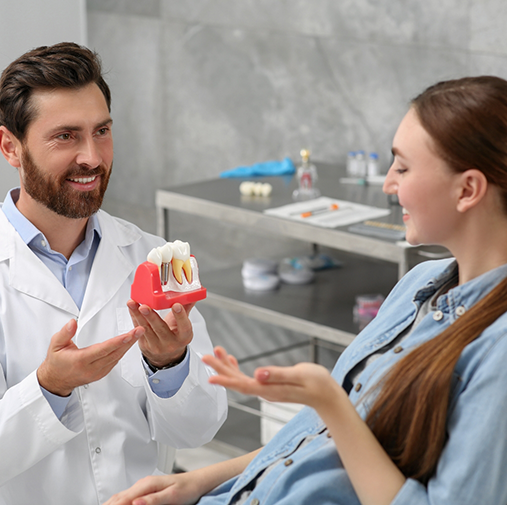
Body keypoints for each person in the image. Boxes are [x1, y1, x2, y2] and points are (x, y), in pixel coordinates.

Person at [105, 75, 507, 505]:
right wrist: (198, 481)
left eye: (403, 168)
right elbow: (317, 441)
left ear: (467, 189)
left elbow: (344, 428)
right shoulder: (418, 286)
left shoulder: (497, 352)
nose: (388, 185)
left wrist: (330, 401)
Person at [0, 42, 227, 505]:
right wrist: (51, 386)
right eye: (65, 136)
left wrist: (170, 366)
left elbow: (199, 429)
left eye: (101, 131)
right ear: (11, 147)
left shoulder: (150, 257)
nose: (92, 157)